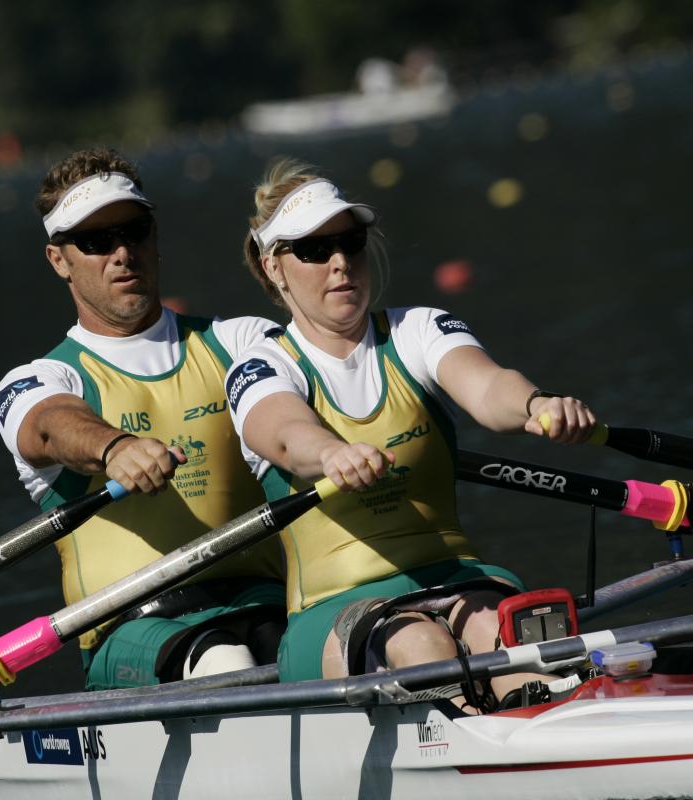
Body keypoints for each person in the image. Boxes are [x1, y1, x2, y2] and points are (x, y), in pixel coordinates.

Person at [225, 159, 596, 712]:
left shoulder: (417, 330)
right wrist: (330, 452)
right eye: (314, 250)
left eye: (350, 242)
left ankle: (551, 717)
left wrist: (535, 404)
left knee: (513, 633)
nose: (340, 263)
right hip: (331, 610)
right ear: (274, 267)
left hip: (460, 579)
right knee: (421, 643)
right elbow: (280, 433)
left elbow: (487, 387)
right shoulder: (260, 366)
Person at [0, 147, 285, 691]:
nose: (122, 253)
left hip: (267, 602)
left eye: (135, 230)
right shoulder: (38, 381)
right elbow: (51, 425)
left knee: (344, 642)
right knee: (225, 662)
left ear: (155, 236)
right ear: (59, 260)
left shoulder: (238, 340)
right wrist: (114, 447)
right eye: (97, 242)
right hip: (131, 630)